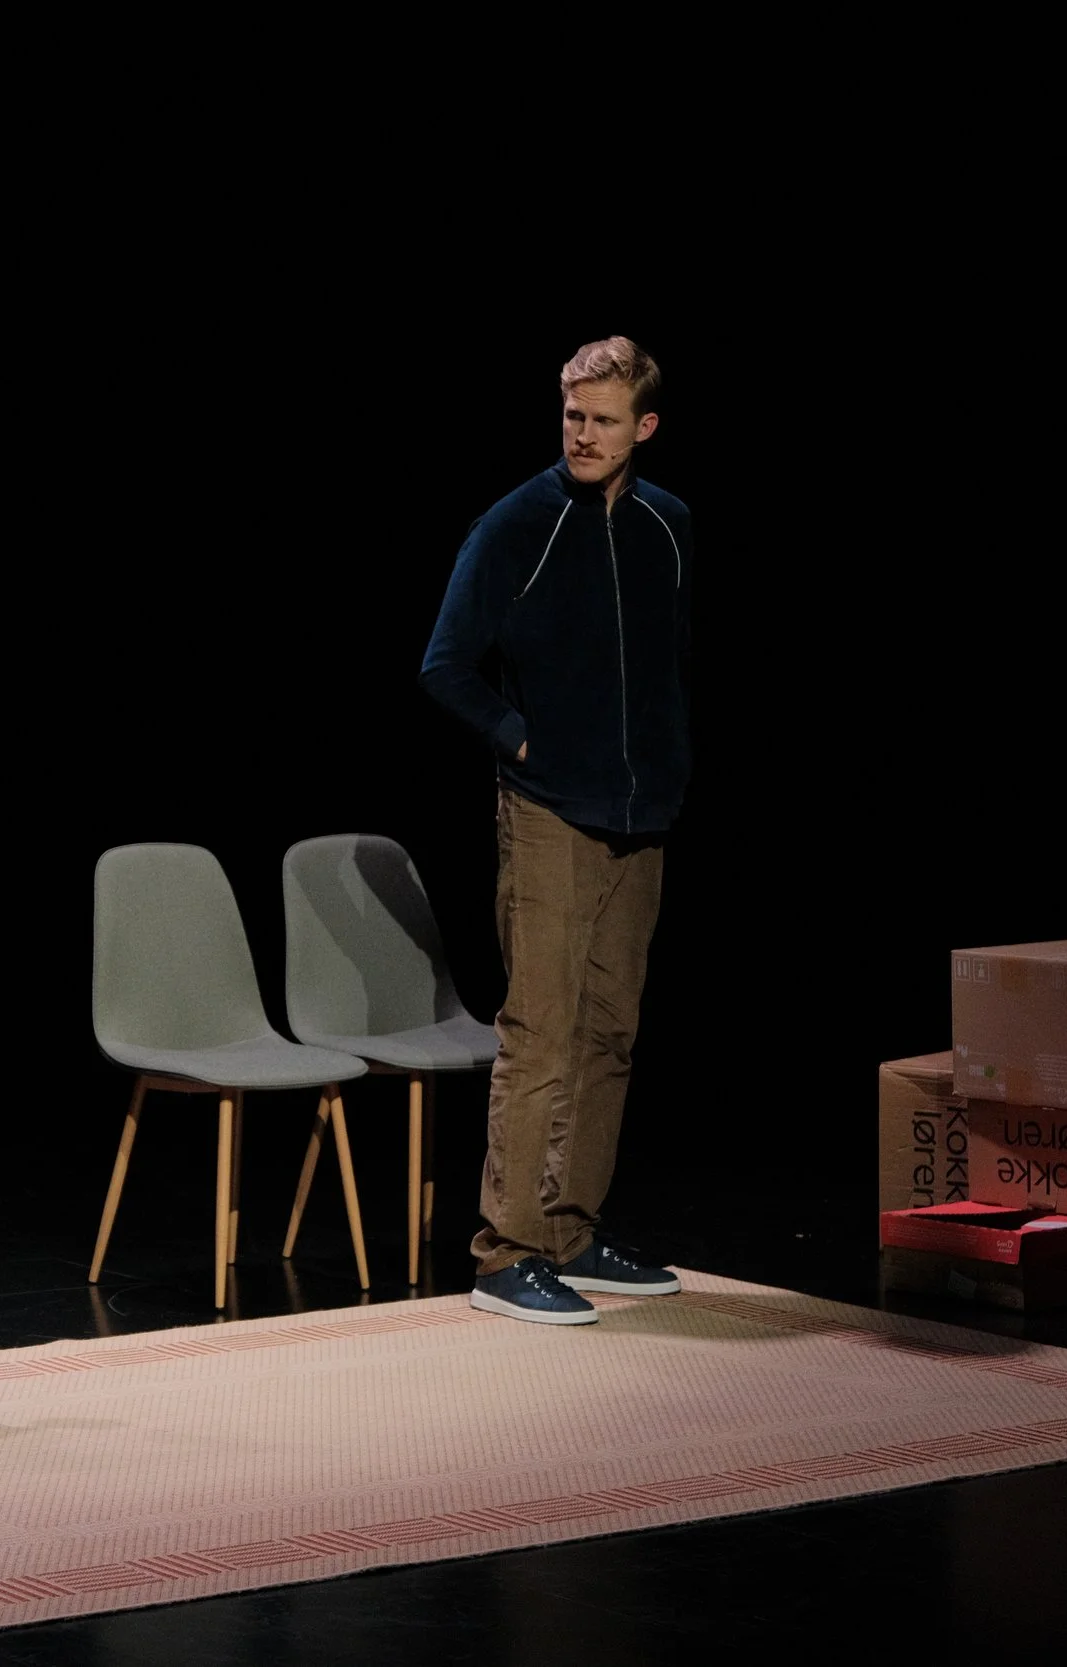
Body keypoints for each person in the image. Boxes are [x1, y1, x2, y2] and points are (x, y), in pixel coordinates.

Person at [418, 335, 693, 1325]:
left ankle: (572, 1230)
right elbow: (446, 664)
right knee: (540, 1032)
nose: (583, 434)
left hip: (640, 813)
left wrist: (664, 763)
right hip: (547, 812)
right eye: (573, 415)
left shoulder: (667, 525)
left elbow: (662, 666)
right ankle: (507, 1251)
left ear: (643, 427)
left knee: (609, 1031)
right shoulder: (516, 523)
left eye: (603, 420)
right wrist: (520, 739)